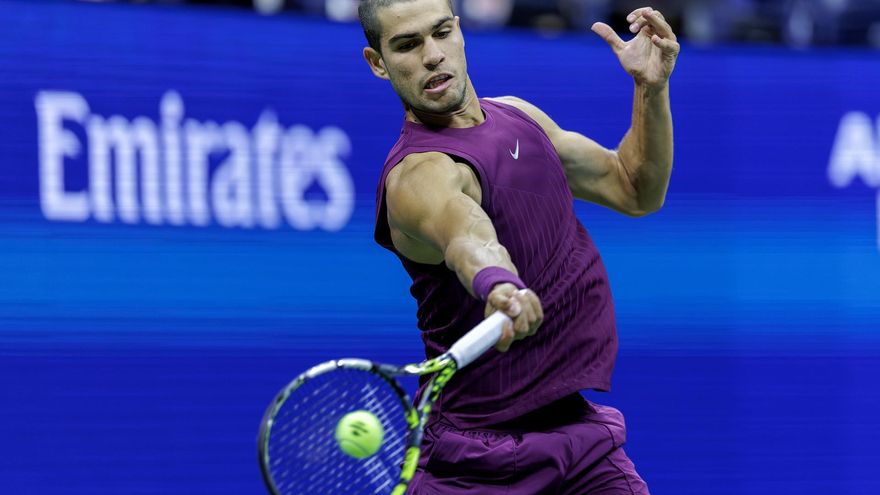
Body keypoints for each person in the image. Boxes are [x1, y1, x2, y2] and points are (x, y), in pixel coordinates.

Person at [359, 0, 678, 492]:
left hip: (578, 443)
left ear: (460, 32)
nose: (432, 55)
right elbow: (467, 234)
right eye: (407, 44)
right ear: (378, 62)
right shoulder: (418, 175)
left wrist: (650, 89)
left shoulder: (518, 117)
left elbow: (635, 189)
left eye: (441, 33)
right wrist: (499, 285)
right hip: (471, 464)